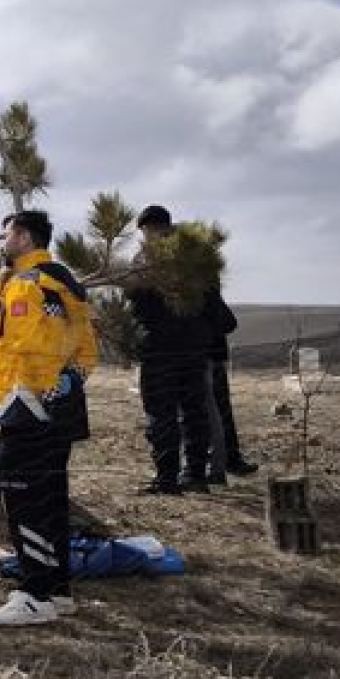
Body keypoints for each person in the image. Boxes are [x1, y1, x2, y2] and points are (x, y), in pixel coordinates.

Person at [0, 209, 97, 627]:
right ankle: (58, 587)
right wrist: (68, 382)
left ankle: (35, 593)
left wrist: (30, 393)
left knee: (22, 495)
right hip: (59, 405)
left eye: (7, 234)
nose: (3, 242)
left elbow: (23, 347)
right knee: (50, 495)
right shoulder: (66, 281)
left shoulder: (28, 285)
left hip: (28, 405)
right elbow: (87, 348)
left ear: (25, 237)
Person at [126, 205, 214, 493]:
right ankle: (196, 474)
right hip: (194, 348)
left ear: (149, 229)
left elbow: (136, 303)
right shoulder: (195, 257)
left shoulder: (146, 259)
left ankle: (166, 478)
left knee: (161, 413)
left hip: (159, 349)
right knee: (194, 411)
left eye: (145, 231)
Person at [201, 280, 258, 483]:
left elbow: (229, 322)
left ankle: (222, 462)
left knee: (211, 412)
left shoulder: (200, 290)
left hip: (205, 358)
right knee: (219, 411)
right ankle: (228, 460)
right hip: (211, 356)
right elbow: (228, 322)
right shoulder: (206, 290)